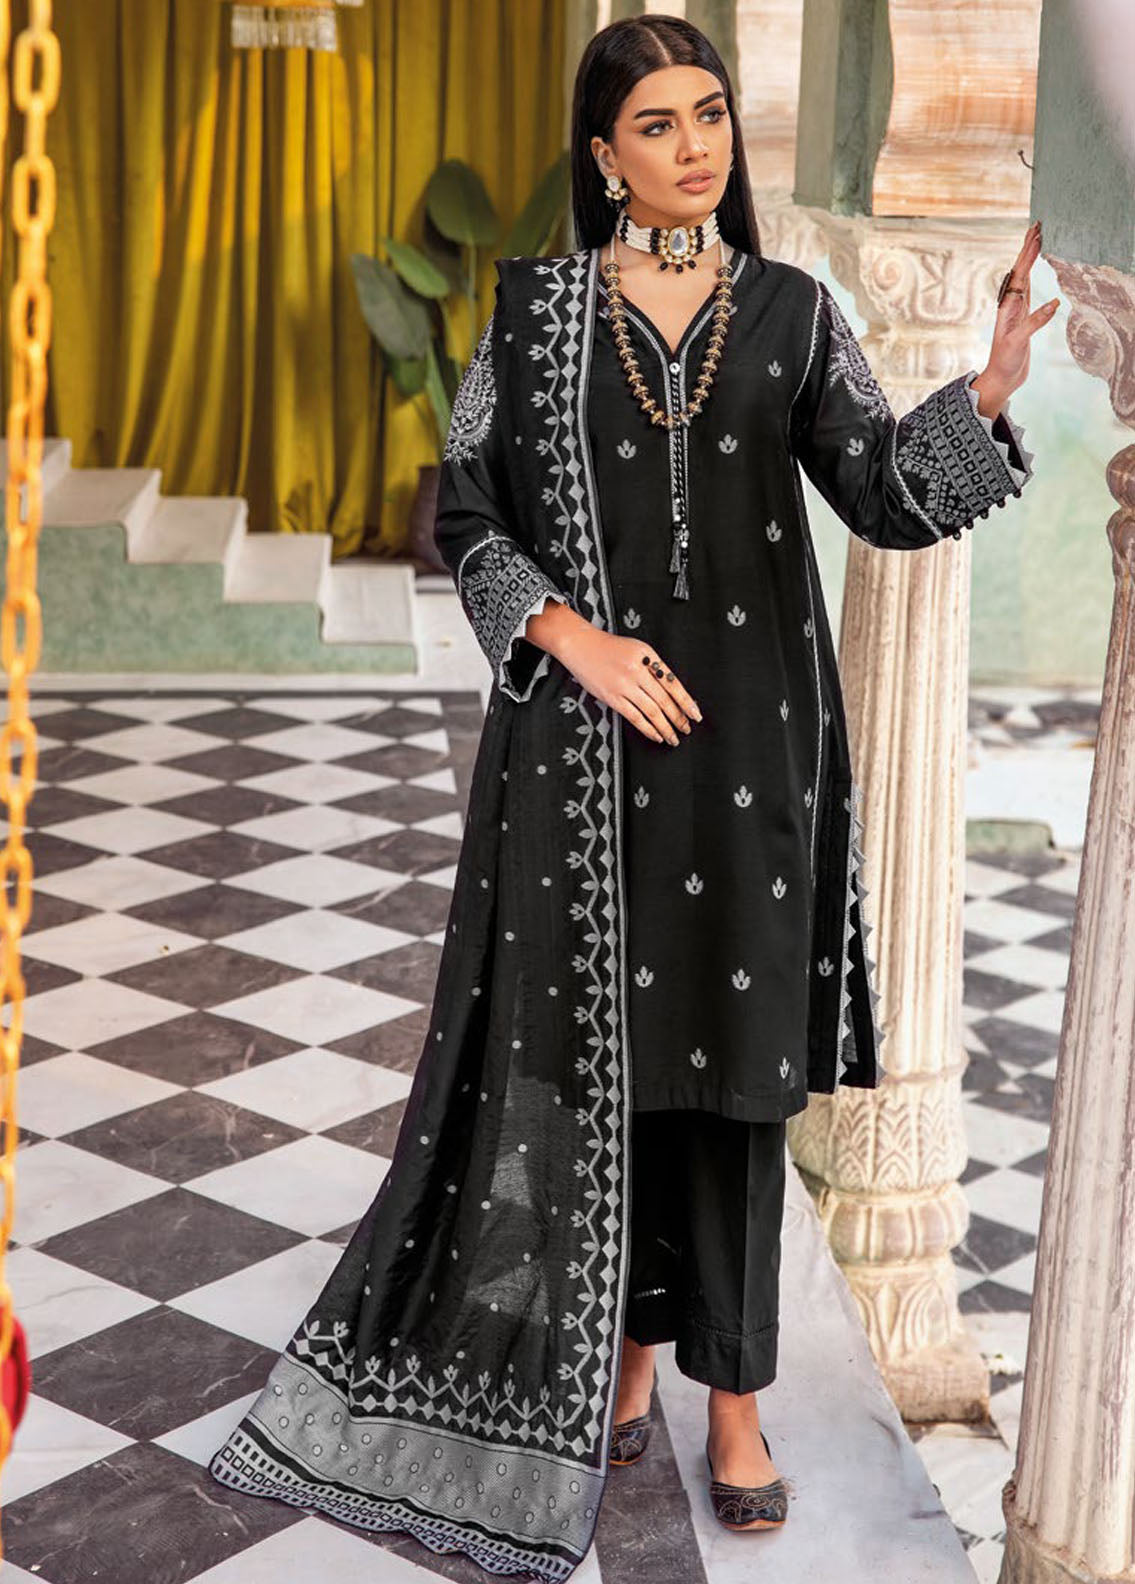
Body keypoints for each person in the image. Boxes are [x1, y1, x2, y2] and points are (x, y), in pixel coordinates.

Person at [209, 14, 1053, 1578]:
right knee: (603, 1063)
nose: (695, 146)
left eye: (710, 114)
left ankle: (736, 1408)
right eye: (657, 124)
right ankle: (617, 1358)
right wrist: (574, 641)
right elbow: (468, 514)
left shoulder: (794, 313)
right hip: (583, 765)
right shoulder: (533, 318)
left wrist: (988, 392)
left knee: (733, 1076)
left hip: (748, 757)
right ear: (604, 157)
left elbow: (880, 492)